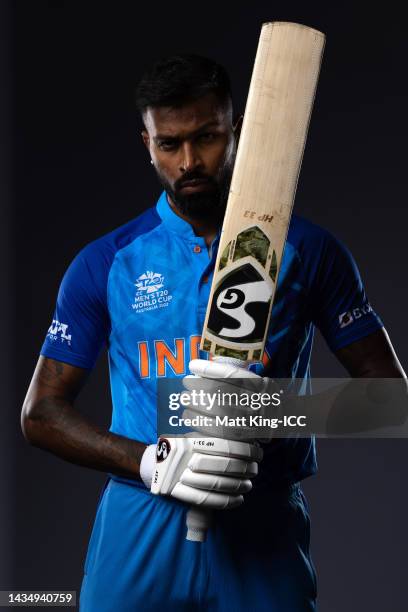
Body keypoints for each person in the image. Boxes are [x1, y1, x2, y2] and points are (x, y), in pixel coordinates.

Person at [21, 54, 406, 611]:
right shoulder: (107, 262)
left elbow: (388, 402)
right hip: (141, 519)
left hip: (262, 525)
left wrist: (263, 414)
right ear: (147, 143)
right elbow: (40, 415)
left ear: (238, 130)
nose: (189, 162)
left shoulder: (308, 250)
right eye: (169, 145)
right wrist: (154, 461)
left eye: (206, 137)